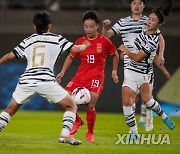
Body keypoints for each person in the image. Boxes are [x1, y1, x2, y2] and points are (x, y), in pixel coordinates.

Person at [0, 11, 90, 145]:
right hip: (45, 81)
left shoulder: (28, 40)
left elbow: (9, 56)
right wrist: (85, 45)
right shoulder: (57, 38)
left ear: (34, 27)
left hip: (27, 80)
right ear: (50, 26)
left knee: (9, 109)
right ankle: (65, 134)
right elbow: (76, 49)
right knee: (71, 105)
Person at [102, 0, 167, 132]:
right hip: (129, 65)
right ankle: (135, 130)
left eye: (139, 3)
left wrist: (161, 54)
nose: (137, 6)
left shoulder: (149, 21)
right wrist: (104, 27)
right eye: (134, 3)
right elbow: (106, 36)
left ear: (143, 6)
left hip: (144, 64)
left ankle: (149, 119)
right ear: (130, 6)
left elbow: (160, 38)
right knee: (129, 100)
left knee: (145, 98)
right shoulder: (122, 22)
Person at [56, 10, 119, 142]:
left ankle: (90, 133)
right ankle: (78, 120)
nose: (88, 29)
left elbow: (115, 55)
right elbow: (70, 57)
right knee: (63, 99)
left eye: (91, 26)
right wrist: (62, 72)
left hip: (96, 77)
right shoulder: (81, 41)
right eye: (86, 27)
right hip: (80, 76)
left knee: (91, 105)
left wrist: (114, 71)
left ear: (97, 26)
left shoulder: (104, 41)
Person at [118, 0, 175, 139]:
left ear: (159, 24)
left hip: (144, 73)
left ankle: (163, 115)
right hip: (130, 70)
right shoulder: (147, 28)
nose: (149, 21)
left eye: (153, 20)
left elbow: (138, 57)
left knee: (147, 101)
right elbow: (162, 39)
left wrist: (125, 50)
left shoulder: (152, 40)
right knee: (126, 102)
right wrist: (161, 54)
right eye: (149, 18)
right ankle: (134, 133)